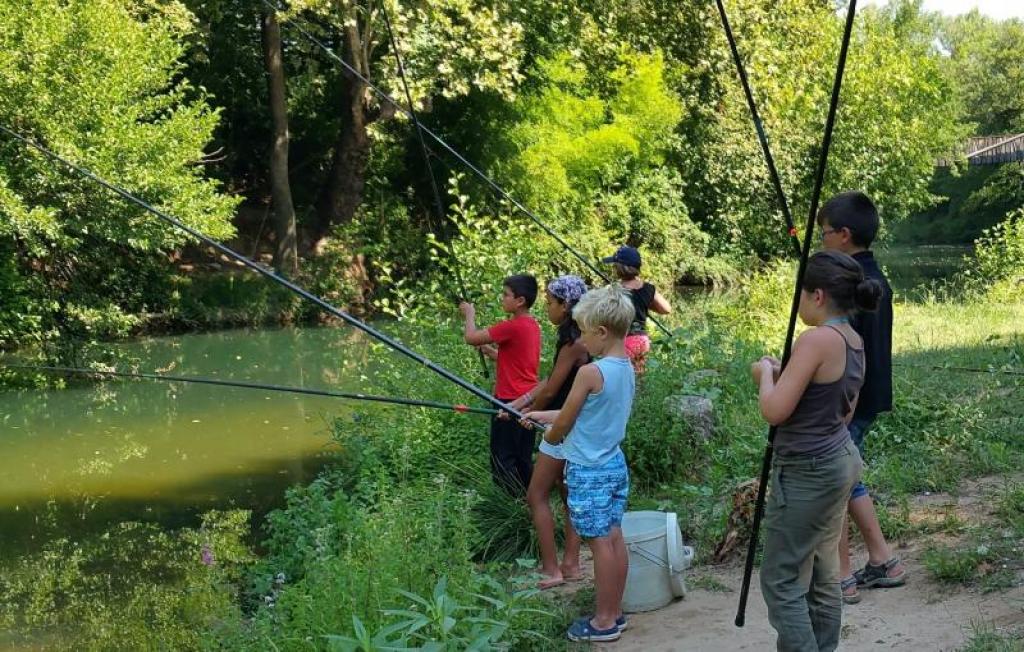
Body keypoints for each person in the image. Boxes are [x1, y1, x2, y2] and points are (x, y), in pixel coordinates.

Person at [753, 250, 880, 652]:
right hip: (840, 459)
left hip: (807, 470)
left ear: (818, 296)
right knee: (824, 574)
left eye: (801, 294)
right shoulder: (853, 338)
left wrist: (766, 375)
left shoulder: (816, 340)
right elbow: (846, 409)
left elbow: (774, 410)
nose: (800, 302)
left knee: (782, 580)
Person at [523, 285, 636, 642]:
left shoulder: (591, 373)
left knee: (599, 543)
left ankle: (602, 622)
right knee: (614, 538)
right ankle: (615, 613)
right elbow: (583, 413)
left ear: (602, 332)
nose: (582, 342)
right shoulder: (626, 367)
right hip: (613, 464)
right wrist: (541, 414)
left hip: (589, 471)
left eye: (585, 333)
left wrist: (549, 434)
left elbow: (565, 425)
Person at [818, 191, 906, 604]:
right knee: (851, 479)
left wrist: (837, 409)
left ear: (844, 235)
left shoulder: (853, 287)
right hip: (867, 398)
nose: (821, 240)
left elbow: (847, 354)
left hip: (848, 403)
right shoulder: (872, 277)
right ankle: (883, 561)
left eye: (824, 234)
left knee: (834, 482)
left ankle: (842, 578)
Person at [506, 276, 589, 589]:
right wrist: (519, 404)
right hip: (571, 423)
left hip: (562, 425)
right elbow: (549, 382)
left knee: (536, 495)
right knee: (568, 495)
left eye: (550, 302)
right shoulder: (580, 338)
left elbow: (552, 388)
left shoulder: (573, 344)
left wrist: (530, 413)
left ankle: (551, 569)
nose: (546, 307)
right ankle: (572, 564)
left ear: (565, 305)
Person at [460, 274, 540, 494]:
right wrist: (490, 351)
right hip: (529, 400)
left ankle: (510, 505)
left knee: (502, 458)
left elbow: (471, 337)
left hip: (509, 401)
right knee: (523, 457)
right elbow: (519, 363)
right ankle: (529, 501)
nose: (502, 299)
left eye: (506, 295)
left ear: (520, 300)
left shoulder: (512, 326)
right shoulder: (532, 326)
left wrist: (469, 314)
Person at [601, 245, 671, 375]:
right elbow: (666, 309)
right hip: (641, 340)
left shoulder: (614, 290)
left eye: (614, 265)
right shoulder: (649, 288)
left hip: (621, 341)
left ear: (620, 267)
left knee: (620, 379)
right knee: (638, 379)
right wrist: (646, 303)